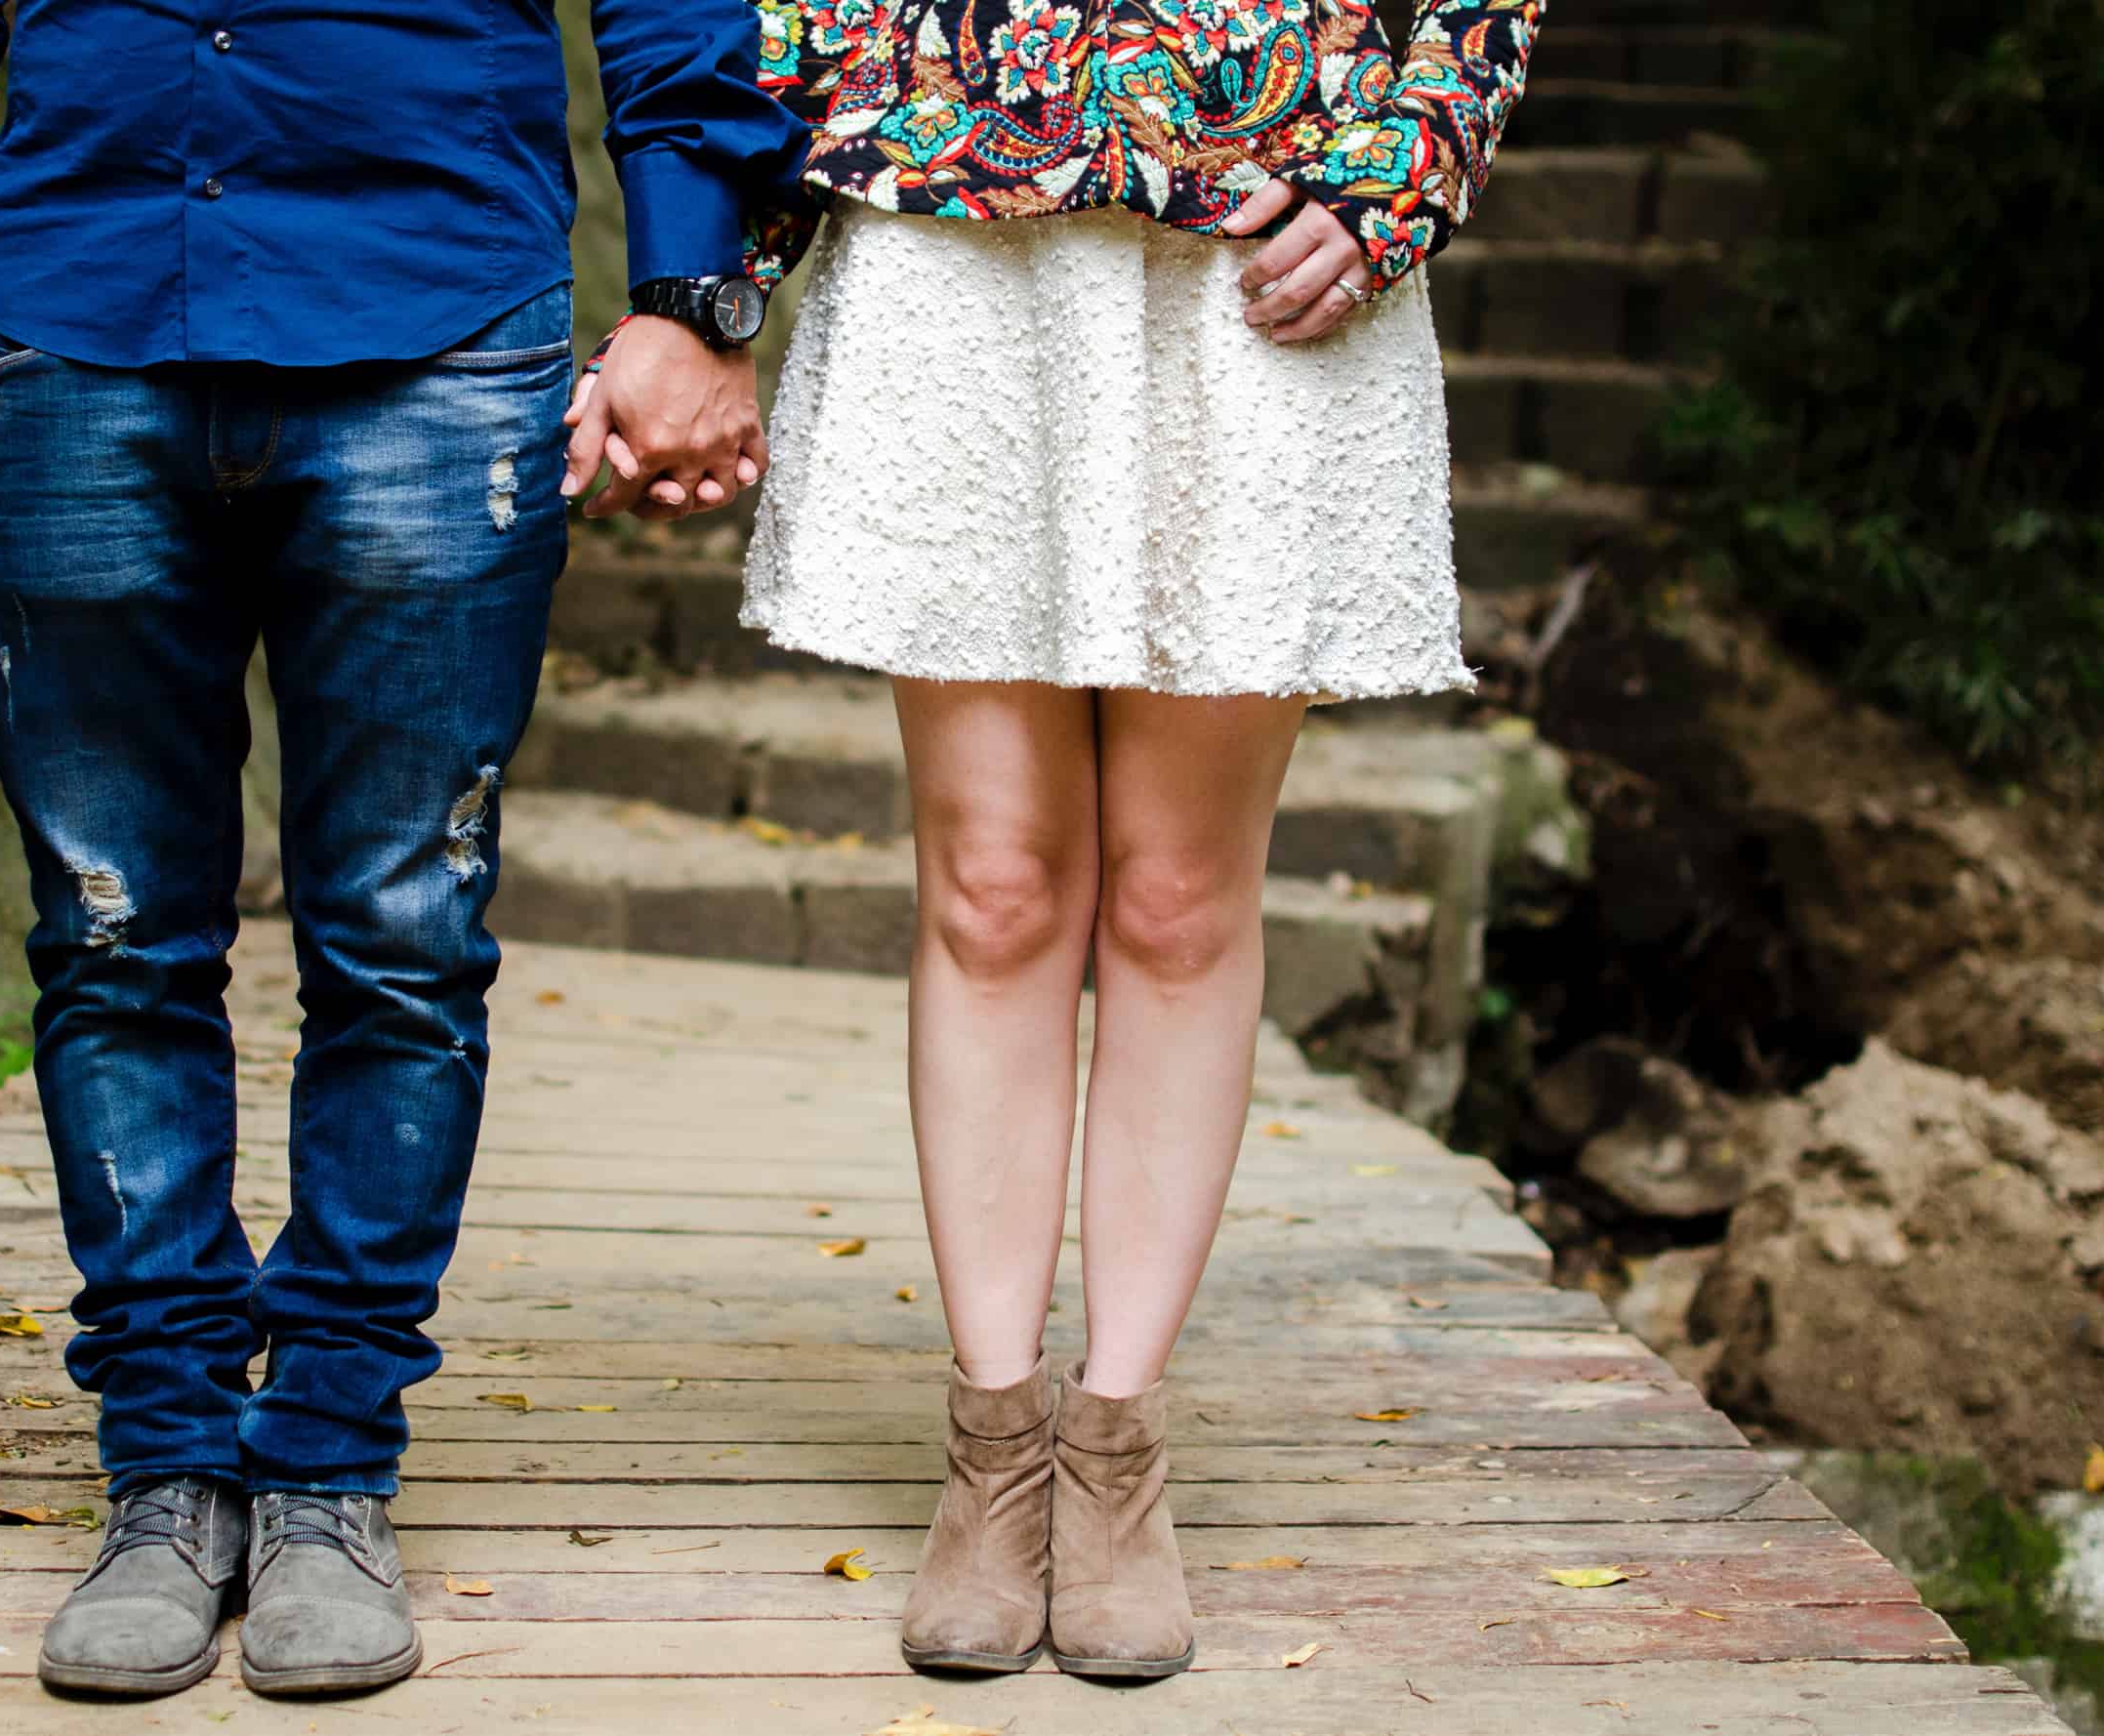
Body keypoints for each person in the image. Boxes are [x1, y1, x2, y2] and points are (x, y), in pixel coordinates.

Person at [0, 0, 803, 1700]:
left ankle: (330, 1460)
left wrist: (688, 291)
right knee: (114, 939)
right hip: (72, 315)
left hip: (432, 319)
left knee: (404, 942)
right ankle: (170, 1463)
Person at [641, 0, 1547, 1682]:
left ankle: (1115, 1444)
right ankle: (995, 1447)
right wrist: (719, 269)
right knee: (993, 888)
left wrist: (1397, 174)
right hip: (953, 210)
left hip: (1266, 228)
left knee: (1182, 892)